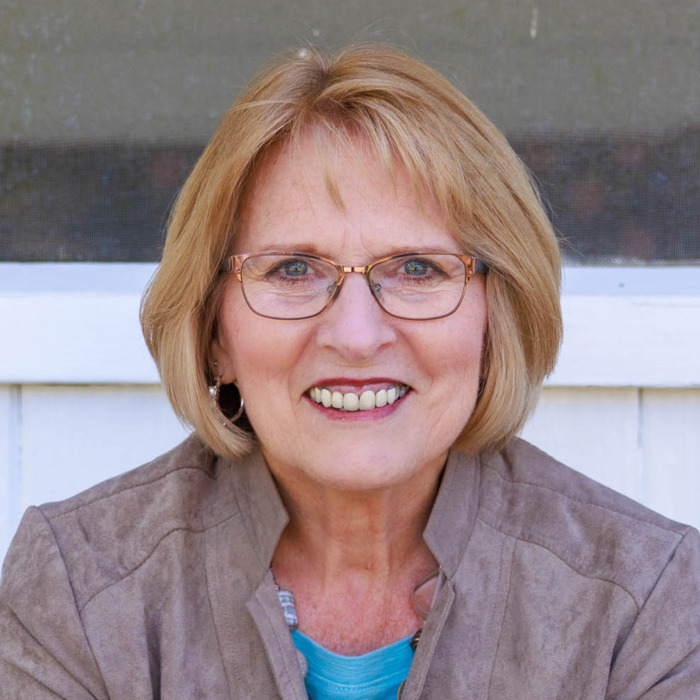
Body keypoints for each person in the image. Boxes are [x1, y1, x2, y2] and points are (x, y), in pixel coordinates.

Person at [1, 44, 698, 699]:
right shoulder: (78, 589)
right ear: (214, 332)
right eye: (292, 269)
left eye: (417, 268)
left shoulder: (642, 601)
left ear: (497, 319)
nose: (357, 336)